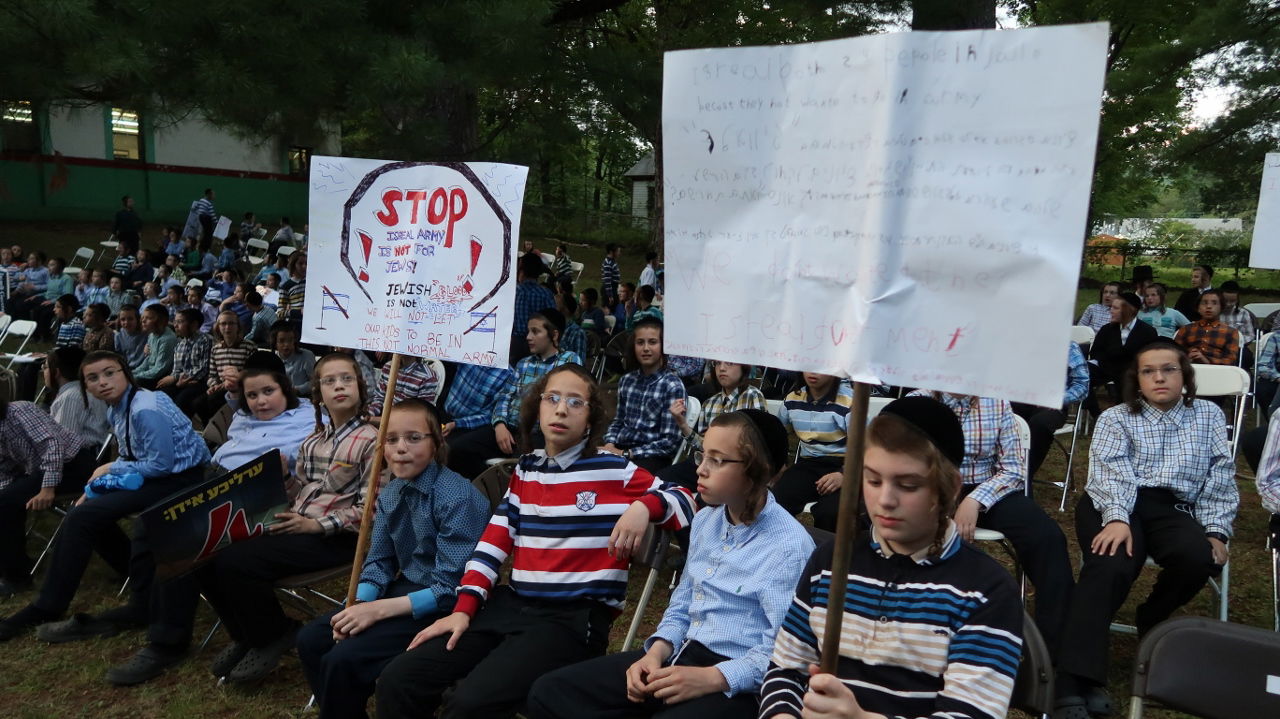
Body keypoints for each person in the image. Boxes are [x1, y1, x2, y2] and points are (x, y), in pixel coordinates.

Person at [373, 363, 696, 718]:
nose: (561, 409)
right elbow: (492, 546)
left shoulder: (613, 469)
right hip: (511, 605)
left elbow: (685, 499)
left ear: (591, 420)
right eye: (552, 398)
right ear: (537, 409)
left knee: (467, 703)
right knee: (399, 679)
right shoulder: (527, 469)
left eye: (576, 402)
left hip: (571, 620)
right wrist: (464, 609)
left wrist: (643, 506)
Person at [527, 409, 814, 719]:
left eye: (717, 460)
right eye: (701, 456)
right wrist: (655, 653)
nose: (701, 470)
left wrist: (712, 678)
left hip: (735, 685)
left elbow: (783, 655)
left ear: (760, 470)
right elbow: (682, 604)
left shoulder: (789, 548)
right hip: (679, 655)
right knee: (550, 693)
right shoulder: (706, 520)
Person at [758, 396, 1023, 719]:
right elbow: (785, 670)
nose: (885, 500)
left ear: (951, 487)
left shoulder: (985, 591)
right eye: (872, 480)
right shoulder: (828, 565)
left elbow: (970, 713)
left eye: (908, 485)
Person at [99, 352, 320, 685]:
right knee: (149, 525)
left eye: (268, 392)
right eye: (252, 395)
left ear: (286, 390)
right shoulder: (245, 417)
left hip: (258, 493)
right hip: (215, 481)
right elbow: (233, 409)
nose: (260, 401)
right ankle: (234, 630)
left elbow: (312, 458)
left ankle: (169, 642)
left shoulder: (308, 418)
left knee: (184, 539)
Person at [1054, 340, 1236, 718]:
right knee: (1112, 562)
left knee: (1197, 558)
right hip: (1112, 498)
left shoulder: (1208, 416)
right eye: (1148, 371)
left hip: (1171, 506)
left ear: (1184, 375)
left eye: (1168, 369)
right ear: (1136, 380)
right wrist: (1118, 518)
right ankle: (1076, 677)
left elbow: (1220, 474)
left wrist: (1216, 529)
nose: (1159, 377)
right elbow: (1109, 471)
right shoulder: (1116, 417)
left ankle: (1152, 615)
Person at [296, 398, 490, 718]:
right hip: (405, 589)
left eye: (414, 438)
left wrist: (377, 611)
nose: (400, 448)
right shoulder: (391, 491)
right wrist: (358, 602)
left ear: (437, 442)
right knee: (313, 639)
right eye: (391, 438)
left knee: (342, 659)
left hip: (443, 603)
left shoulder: (457, 498)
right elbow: (380, 561)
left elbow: (451, 588)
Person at [0, 351, 209, 642]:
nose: (103, 382)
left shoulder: (145, 408)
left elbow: (160, 464)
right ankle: (122, 572)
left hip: (181, 479)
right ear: (85, 385)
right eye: (93, 378)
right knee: (85, 510)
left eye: (110, 373)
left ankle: (47, 605)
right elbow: (132, 453)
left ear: (126, 372)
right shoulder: (117, 408)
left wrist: (110, 467)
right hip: (152, 475)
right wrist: (95, 488)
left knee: (83, 516)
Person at [908, 388, 1073, 658]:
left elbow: (1014, 468)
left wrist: (974, 501)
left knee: (1048, 538)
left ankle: (1049, 652)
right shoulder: (918, 403)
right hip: (929, 490)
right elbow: (904, 464)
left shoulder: (996, 403)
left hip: (987, 488)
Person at [447, 309, 581, 479]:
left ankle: (510, 492)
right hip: (510, 429)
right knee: (459, 449)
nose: (528, 337)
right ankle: (488, 489)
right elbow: (505, 397)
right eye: (528, 331)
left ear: (554, 335)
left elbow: (562, 399)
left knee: (526, 466)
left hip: (540, 433)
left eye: (535, 331)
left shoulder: (568, 361)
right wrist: (500, 425)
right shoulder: (523, 364)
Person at [0, 392, 100, 598]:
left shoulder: (19, 410)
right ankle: (15, 561)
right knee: (7, 500)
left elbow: (52, 445)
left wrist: (48, 488)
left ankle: (17, 577)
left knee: (6, 502)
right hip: (40, 470)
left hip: (74, 465)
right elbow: (4, 469)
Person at [771, 372, 853, 531]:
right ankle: (785, 545)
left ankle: (828, 552)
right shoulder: (793, 399)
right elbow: (777, 434)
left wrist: (843, 475)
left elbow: (866, 448)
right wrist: (779, 464)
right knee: (777, 500)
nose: (813, 372)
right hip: (808, 464)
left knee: (830, 512)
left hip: (844, 465)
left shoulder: (849, 401)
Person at [603, 317, 685, 473]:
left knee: (617, 477)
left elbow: (669, 442)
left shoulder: (672, 385)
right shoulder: (627, 381)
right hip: (621, 448)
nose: (646, 348)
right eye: (640, 342)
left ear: (663, 346)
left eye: (652, 342)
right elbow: (618, 421)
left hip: (651, 456)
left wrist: (627, 454)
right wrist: (610, 444)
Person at [1012, 341, 1090, 481]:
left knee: (1040, 424)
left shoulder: (1068, 346)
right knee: (996, 418)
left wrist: (1059, 399)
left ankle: (1023, 479)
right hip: (1018, 398)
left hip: (1053, 404)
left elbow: (1082, 384)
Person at [1088, 292, 1158, 405]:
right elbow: (1096, 352)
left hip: (1133, 372)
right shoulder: (1107, 329)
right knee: (1080, 375)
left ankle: (1125, 414)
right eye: (1111, 307)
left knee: (1126, 378)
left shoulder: (1147, 332)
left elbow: (1150, 357)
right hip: (1107, 368)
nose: (1111, 311)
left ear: (1129, 310)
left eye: (1115, 308)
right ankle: (1096, 413)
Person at [196, 310, 258, 422]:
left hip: (240, 388)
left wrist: (230, 383)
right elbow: (212, 375)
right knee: (198, 403)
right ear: (218, 327)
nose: (227, 327)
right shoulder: (216, 349)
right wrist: (214, 385)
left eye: (231, 323)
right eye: (223, 324)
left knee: (213, 400)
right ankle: (211, 432)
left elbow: (252, 373)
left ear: (237, 326)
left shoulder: (249, 347)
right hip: (220, 387)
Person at [44, 345, 110, 450]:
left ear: (57, 373)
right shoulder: (81, 390)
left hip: (81, 460)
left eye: (45, 367)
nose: (44, 371)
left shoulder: (71, 397)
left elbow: (63, 443)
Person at [156, 308, 213, 413]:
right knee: (161, 395)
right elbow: (177, 369)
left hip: (199, 382)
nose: (175, 325)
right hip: (181, 382)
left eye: (180, 322)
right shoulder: (180, 344)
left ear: (194, 325)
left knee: (182, 400)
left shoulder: (206, 340)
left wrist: (176, 378)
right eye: (175, 322)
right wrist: (177, 380)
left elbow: (203, 368)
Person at [511, 253, 556, 364]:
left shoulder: (513, 292)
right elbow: (553, 320)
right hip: (539, 343)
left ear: (521, 271)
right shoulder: (546, 294)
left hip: (514, 343)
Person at [1174, 289, 1239, 365]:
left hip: (1218, 371)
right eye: (1204, 303)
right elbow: (1174, 354)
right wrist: (1187, 358)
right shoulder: (1186, 329)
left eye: (1214, 303)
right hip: (1189, 368)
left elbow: (1230, 360)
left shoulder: (1230, 332)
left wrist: (1207, 361)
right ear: (1198, 308)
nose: (1208, 306)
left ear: (1221, 307)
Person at [368, 356, 440, 418]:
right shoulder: (388, 367)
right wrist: (370, 414)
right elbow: (379, 397)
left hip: (408, 423)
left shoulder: (427, 377)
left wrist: (374, 420)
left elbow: (422, 413)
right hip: (384, 416)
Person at [131, 305, 178, 390]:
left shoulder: (167, 339)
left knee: (135, 382)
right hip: (150, 372)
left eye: (148, 318)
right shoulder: (152, 335)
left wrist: (136, 376)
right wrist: (132, 373)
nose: (143, 321)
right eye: (143, 317)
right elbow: (148, 361)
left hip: (161, 377)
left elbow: (159, 370)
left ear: (161, 321)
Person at [273, 321, 315, 397]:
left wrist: (298, 390)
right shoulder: (272, 360)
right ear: (275, 343)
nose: (286, 345)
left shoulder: (307, 355)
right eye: (281, 341)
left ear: (295, 341)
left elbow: (315, 381)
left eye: (290, 340)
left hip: (304, 398)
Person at [112, 305, 147, 370]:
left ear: (138, 319)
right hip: (127, 368)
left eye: (130, 319)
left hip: (144, 368)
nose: (126, 322)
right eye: (123, 319)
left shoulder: (146, 333)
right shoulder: (118, 335)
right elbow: (119, 355)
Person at [601, 243, 621, 308]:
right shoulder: (608, 263)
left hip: (614, 288)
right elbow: (607, 280)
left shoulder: (613, 262)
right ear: (611, 252)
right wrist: (610, 295)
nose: (619, 253)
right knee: (609, 308)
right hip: (610, 289)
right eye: (617, 251)